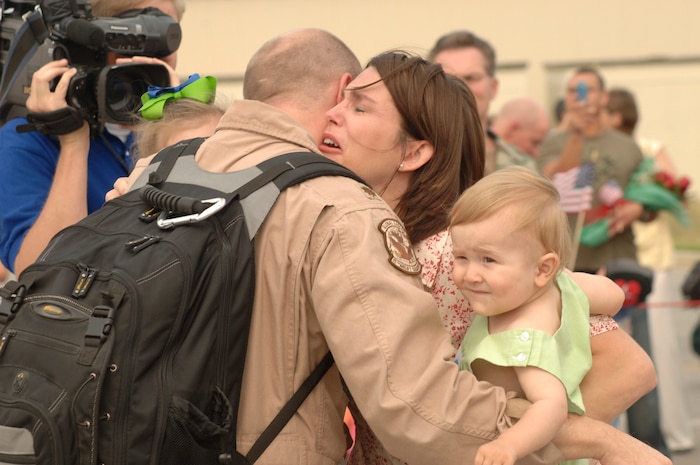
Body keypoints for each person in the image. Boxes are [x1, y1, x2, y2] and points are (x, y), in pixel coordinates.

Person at [110, 29, 670, 465]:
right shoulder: (340, 222)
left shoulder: (450, 255)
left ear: (413, 153)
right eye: (340, 100)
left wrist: (530, 442)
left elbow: (629, 367)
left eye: (358, 106)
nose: (332, 114)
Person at [450, 166, 624, 465]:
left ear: (542, 268)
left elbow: (550, 405)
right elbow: (614, 295)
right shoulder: (557, 287)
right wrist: (563, 281)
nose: (470, 275)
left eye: (488, 260)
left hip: (529, 455)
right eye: (461, 257)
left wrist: (508, 447)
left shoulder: (522, 334)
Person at [0, 0, 186, 277]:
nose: (150, 55)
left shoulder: (197, 127)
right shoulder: (28, 140)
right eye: (134, 37)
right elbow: (43, 270)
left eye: (165, 38)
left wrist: (176, 121)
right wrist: (73, 141)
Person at [603, 87, 695, 453]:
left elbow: (675, 192)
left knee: (658, 349)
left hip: (651, 258)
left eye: (606, 110)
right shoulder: (602, 155)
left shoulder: (648, 150)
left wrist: (639, 203)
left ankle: (668, 432)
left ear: (619, 115)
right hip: (616, 258)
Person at [537, 66, 647, 274]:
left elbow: (647, 198)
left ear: (604, 97)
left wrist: (640, 209)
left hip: (617, 258)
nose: (581, 97)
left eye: (589, 90)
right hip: (568, 260)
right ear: (566, 99)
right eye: (573, 91)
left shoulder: (627, 145)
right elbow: (553, 181)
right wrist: (576, 134)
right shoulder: (553, 142)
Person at [428, 30, 537, 173]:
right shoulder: (412, 159)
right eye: (447, 79)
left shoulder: (522, 167)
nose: (461, 88)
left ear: (493, 87)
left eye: (471, 78)